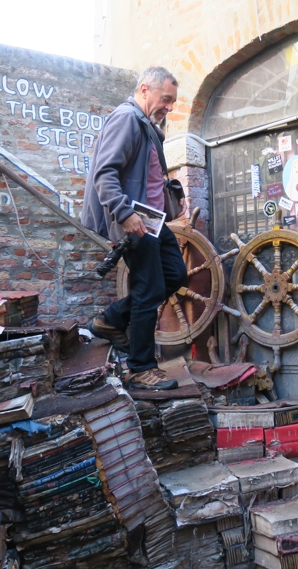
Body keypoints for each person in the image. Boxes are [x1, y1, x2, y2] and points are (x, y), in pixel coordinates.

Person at [80, 66, 187, 390]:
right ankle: (140, 368)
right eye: (165, 99)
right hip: (135, 219)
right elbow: (105, 173)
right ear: (144, 89)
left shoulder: (146, 126)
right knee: (148, 290)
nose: (169, 107)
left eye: (172, 102)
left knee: (176, 275)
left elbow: (148, 175)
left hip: (153, 219)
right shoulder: (126, 118)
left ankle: (111, 319)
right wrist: (124, 214)